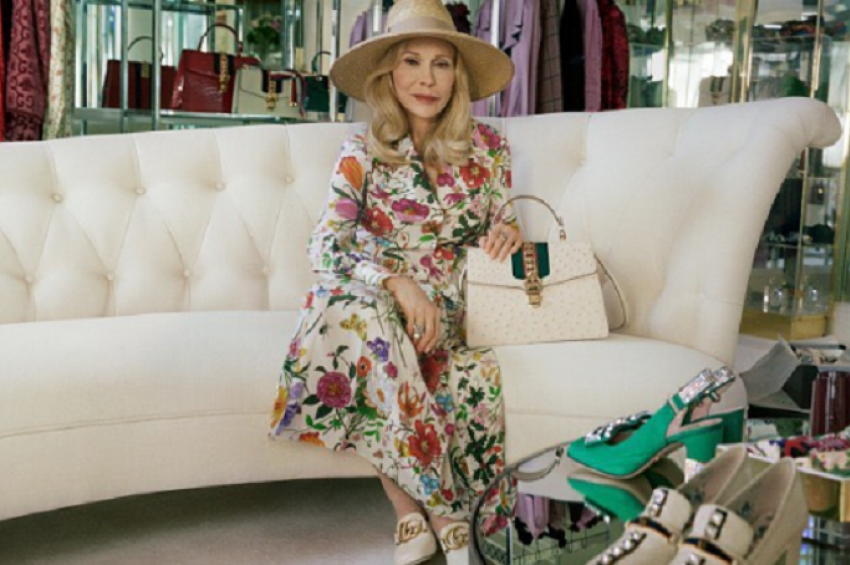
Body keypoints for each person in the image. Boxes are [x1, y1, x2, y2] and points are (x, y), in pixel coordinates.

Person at [269, 1, 519, 563]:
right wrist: (395, 282)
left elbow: (505, 225)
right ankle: (433, 510)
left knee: (372, 331)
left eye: (441, 64)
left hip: (449, 306)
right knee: (354, 312)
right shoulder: (361, 151)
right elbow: (325, 247)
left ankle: (414, 515)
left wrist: (508, 235)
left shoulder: (490, 150)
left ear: (457, 76)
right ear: (389, 73)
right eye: (411, 61)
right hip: (379, 298)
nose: (426, 79)